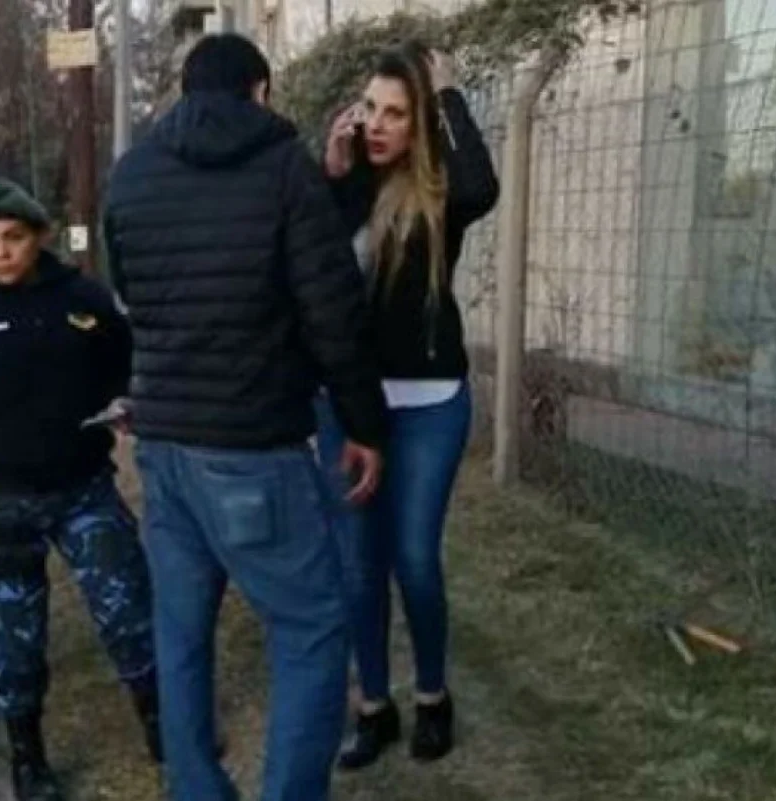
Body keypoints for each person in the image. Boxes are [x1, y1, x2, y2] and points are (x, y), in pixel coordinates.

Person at [102, 33, 389, 801]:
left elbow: (127, 288)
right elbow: (332, 312)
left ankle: (197, 788)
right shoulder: (284, 166)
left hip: (164, 443)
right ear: (259, 90)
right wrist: (365, 424)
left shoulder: (131, 173)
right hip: (251, 442)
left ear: (185, 90)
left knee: (180, 630)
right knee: (311, 628)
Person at [0, 176, 161, 801]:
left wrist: (128, 402)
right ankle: (27, 756)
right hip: (0, 506)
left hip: (83, 491)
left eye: (13, 238)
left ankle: (160, 722)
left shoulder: (84, 300)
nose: (2, 252)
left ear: (38, 236)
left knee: (128, 612)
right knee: (19, 639)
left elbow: (127, 367)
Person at [314, 44, 500, 770]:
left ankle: (431, 696)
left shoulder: (438, 193)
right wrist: (333, 174)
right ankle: (374, 706)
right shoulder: (347, 184)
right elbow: (318, 271)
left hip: (430, 405)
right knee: (358, 567)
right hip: (349, 405)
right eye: (371, 108)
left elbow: (483, 187)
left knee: (415, 557)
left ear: (419, 123)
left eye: (397, 112)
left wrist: (448, 95)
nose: (379, 123)